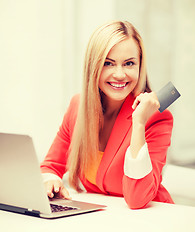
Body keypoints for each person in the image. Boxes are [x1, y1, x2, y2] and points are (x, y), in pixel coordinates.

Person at [40, 20, 174, 209]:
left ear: (139, 66)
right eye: (108, 64)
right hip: (101, 218)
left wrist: (138, 124)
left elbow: (137, 199)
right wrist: (50, 181)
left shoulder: (156, 118)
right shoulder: (78, 106)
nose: (119, 74)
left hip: (148, 220)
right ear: (92, 67)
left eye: (129, 63)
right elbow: (50, 166)